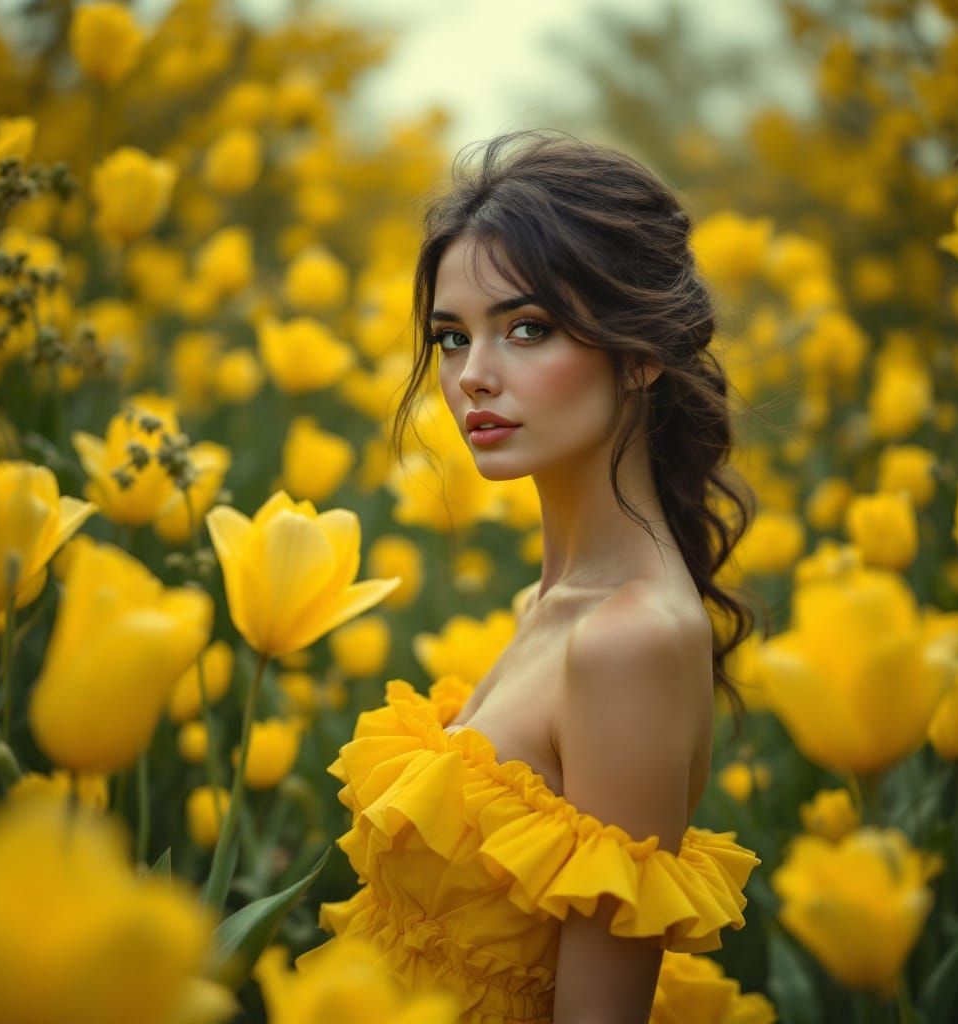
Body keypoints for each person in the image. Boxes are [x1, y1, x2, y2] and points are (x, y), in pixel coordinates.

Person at [303, 130, 771, 1023]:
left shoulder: (629, 640)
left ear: (640, 354)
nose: (473, 376)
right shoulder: (547, 602)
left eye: (527, 329)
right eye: (450, 337)